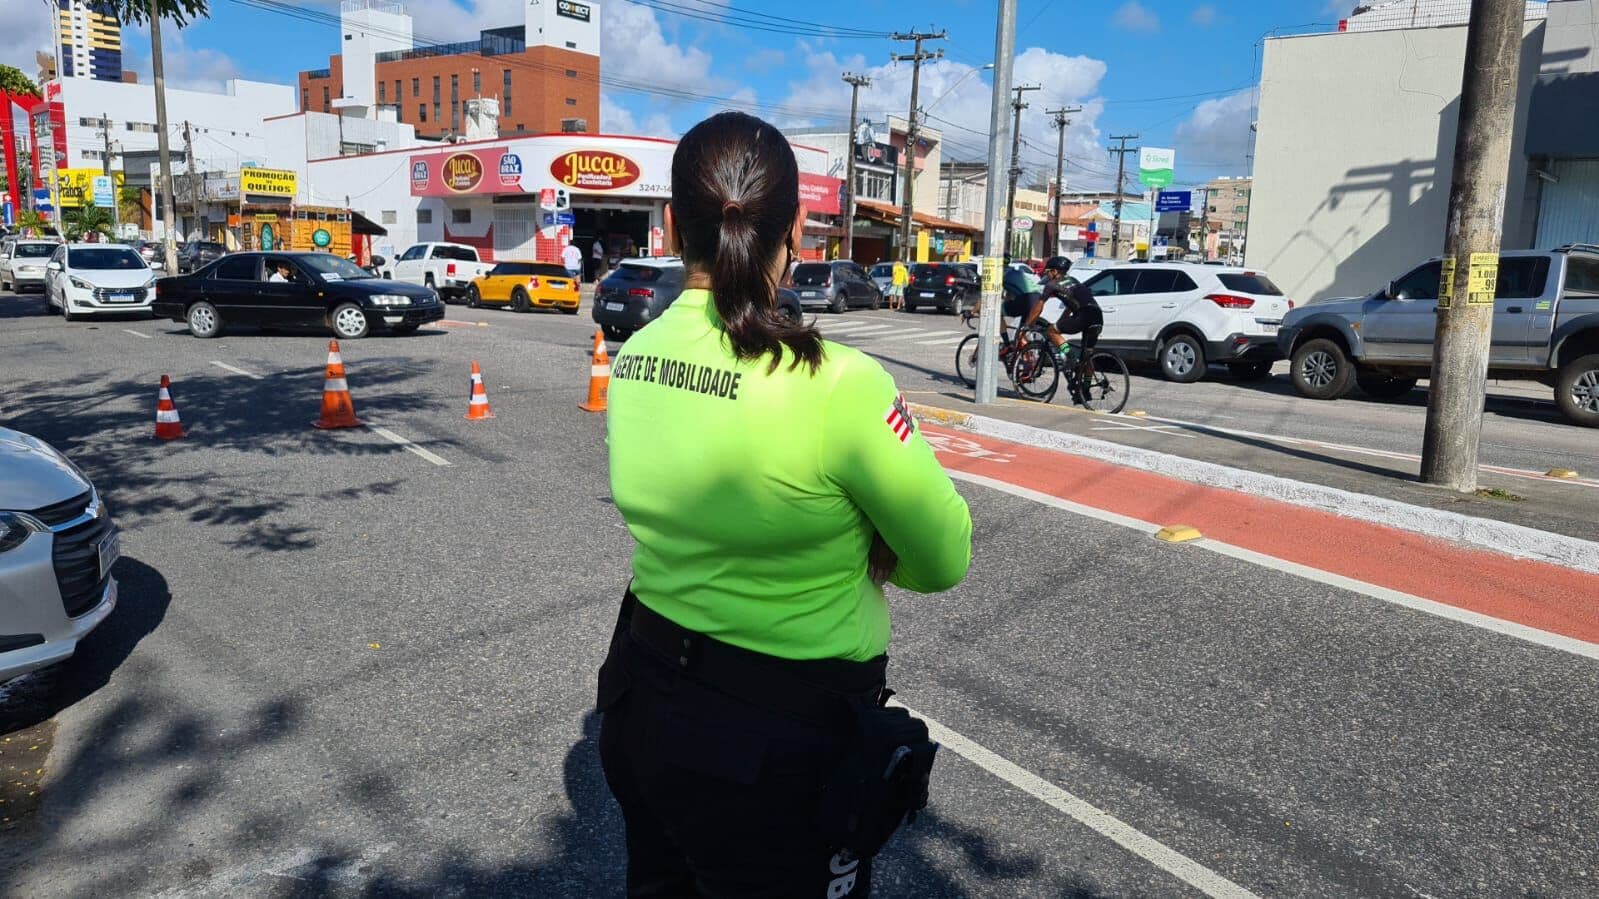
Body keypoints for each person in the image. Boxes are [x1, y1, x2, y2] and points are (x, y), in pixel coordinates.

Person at [599, 111, 972, 897]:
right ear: (798, 228)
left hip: (642, 694)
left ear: (671, 227)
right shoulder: (836, 381)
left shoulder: (633, 355)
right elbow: (943, 559)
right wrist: (863, 539)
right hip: (778, 744)